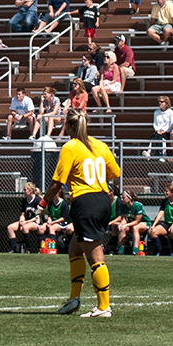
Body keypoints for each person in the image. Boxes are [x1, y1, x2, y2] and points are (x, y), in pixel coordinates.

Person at [41, 109, 119, 318]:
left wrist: (43, 202)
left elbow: (57, 183)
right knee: (75, 248)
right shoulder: (100, 145)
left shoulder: (70, 147)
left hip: (86, 203)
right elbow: (115, 172)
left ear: (68, 126)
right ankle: (74, 298)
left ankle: (104, 307)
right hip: (103, 200)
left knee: (95, 256)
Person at [146, 183, 173, 256]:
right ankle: (159, 251)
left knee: (172, 231)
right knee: (152, 232)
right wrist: (153, 225)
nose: (165, 193)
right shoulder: (165, 201)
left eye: (167, 191)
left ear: (172, 193)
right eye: (165, 191)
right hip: (167, 223)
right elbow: (160, 213)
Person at [107, 190, 147, 255]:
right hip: (131, 224)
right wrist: (122, 224)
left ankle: (135, 250)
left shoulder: (138, 205)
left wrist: (126, 225)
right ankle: (120, 250)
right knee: (120, 227)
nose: (121, 199)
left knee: (135, 228)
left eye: (123, 198)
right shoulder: (123, 206)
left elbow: (137, 221)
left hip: (143, 223)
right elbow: (123, 218)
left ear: (129, 198)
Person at [7, 182, 43, 253]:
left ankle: (28, 249)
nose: (24, 192)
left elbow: (37, 217)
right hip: (26, 221)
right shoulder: (25, 200)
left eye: (25, 190)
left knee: (25, 228)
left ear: (31, 190)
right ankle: (13, 249)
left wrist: (26, 222)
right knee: (10, 227)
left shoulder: (38, 200)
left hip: (36, 222)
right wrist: (21, 221)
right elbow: (23, 214)